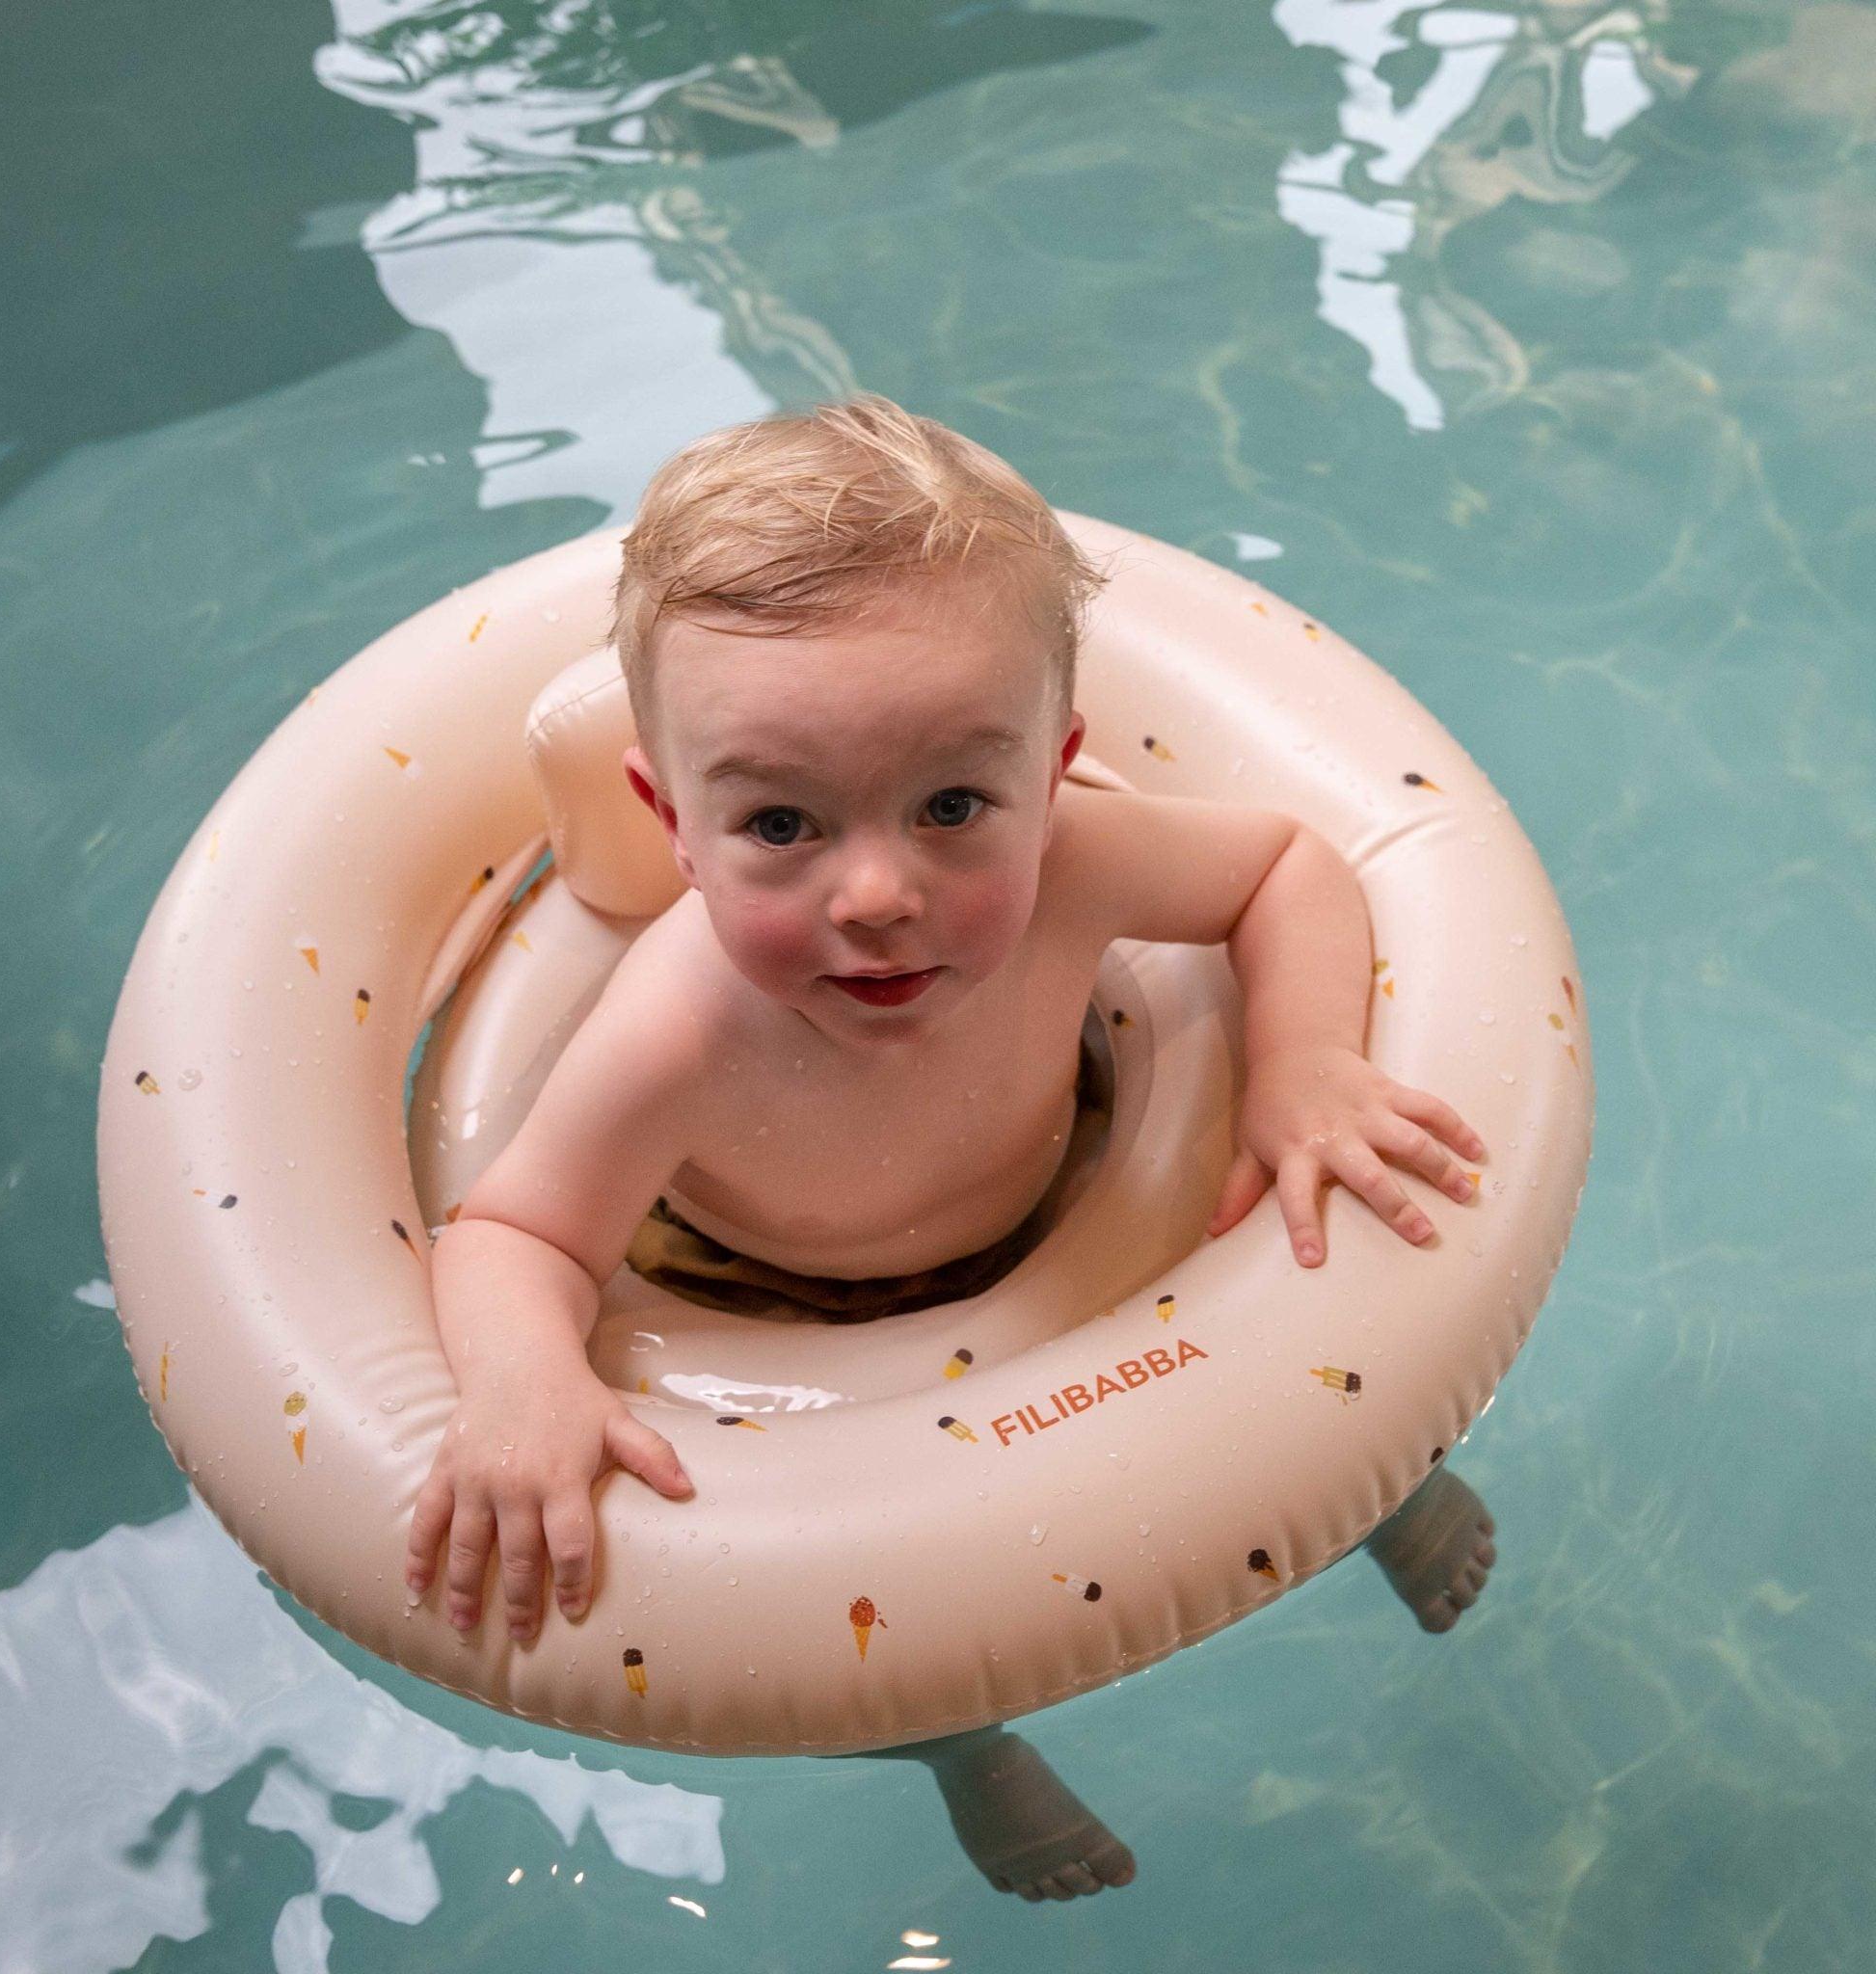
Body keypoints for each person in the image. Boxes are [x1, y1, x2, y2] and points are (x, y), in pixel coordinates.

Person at [404, 392, 1498, 1901]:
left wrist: (1301, 1071)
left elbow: (1286, 869)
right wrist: (527, 1381)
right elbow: (513, 1235)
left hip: (1065, 1189)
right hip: (779, 1298)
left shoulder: (1080, 873)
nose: (875, 895)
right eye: (782, 825)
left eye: (952, 805)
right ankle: (962, 1744)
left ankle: (1374, 1488)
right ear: (670, 817)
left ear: (1053, 774)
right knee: (871, 1628)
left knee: (1330, 1331)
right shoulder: (678, 1030)